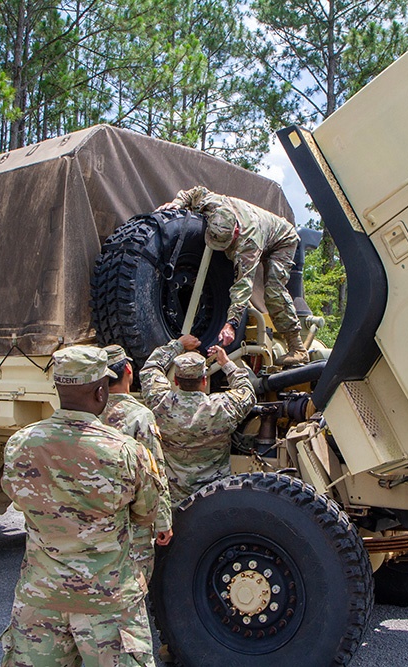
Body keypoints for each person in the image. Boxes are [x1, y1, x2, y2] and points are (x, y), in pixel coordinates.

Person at [0, 345, 162, 667]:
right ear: (101, 392)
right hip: (108, 604)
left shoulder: (20, 444)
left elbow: (17, 498)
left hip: (41, 598)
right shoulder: (125, 452)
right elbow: (147, 512)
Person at [158, 186, 309, 366]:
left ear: (235, 233)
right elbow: (194, 192)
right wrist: (176, 204)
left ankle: (297, 348)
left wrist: (231, 324)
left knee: (273, 292)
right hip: (255, 227)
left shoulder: (248, 244)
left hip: (281, 240)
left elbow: (243, 286)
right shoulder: (214, 205)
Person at [140, 334, 256, 503]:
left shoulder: (160, 404)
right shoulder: (222, 407)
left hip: (175, 501)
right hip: (215, 498)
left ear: (175, 381)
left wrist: (178, 344)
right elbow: (247, 392)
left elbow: (150, 369)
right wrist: (226, 363)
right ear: (204, 380)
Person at [101, 344, 173, 584]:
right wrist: (163, 520)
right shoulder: (140, 416)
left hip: (93, 516)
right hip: (131, 519)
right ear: (128, 370)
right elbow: (155, 472)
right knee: (134, 583)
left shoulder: (89, 412)